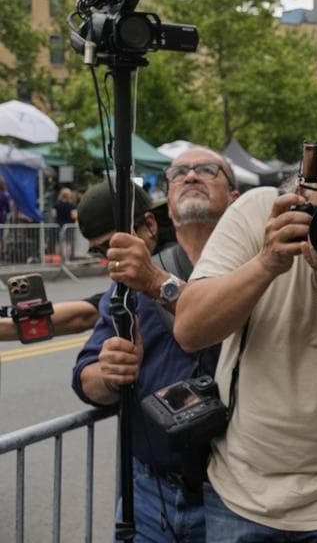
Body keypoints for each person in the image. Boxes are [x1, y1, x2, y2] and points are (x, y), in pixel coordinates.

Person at [173, 134, 317, 541]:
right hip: (243, 496)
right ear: (297, 197)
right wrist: (268, 261)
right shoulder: (260, 212)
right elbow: (189, 329)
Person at [71, 146, 240, 543]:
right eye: (178, 172)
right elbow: (86, 378)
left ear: (235, 199)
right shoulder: (128, 283)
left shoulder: (258, 273)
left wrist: (153, 280)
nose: (191, 175)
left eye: (207, 169)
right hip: (148, 496)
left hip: (234, 497)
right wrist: (108, 374)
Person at [54, 186, 77, 261]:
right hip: (68, 226)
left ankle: (58, 259)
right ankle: (66, 259)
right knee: (68, 243)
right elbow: (74, 216)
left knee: (59, 242)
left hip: (59, 225)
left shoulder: (57, 205)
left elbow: (54, 215)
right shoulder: (71, 205)